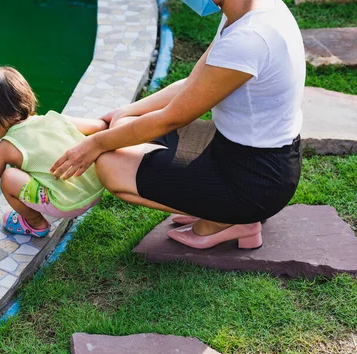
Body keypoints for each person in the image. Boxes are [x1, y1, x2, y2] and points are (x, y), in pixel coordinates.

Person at [50, 0, 304, 249]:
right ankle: (218, 209)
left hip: (254, 180)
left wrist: (95, 143)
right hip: (235, 149)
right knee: (126, 125)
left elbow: (171, 118)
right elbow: (193, 84)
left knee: (109, 166)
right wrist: (127, 110)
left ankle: (229, 219)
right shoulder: (249, 11)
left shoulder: (248, 38)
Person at [0, 66, 106, 237]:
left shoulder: (5, 148)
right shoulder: (54, 118)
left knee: (9, 178)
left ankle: (35, 224)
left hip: (69, 203)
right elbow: (100, 126)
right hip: (98, 187)